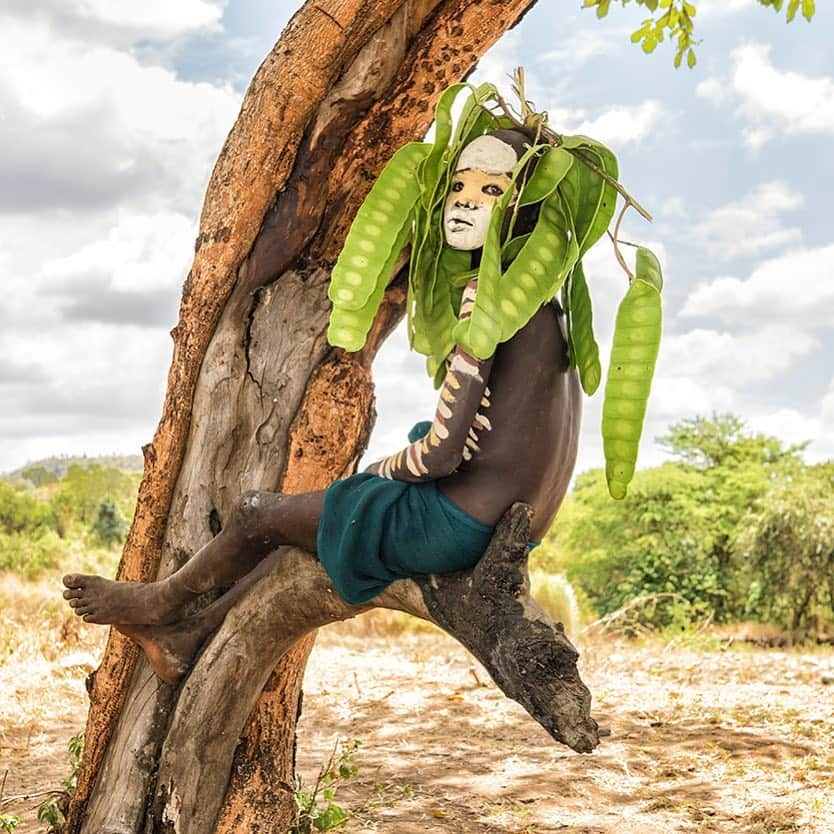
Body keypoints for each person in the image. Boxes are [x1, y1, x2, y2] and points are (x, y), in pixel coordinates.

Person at [62, 129, 582, 683]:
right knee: (312, 524)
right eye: (458, 185)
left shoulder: (490, 295)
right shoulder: (549, 305)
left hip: (461, 525)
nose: (465, 202)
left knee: (256, 514)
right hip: (516, 524)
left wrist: (370, 476)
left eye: (491, 190)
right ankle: (192, 635)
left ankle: (162, 602)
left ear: (527, 205)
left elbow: (439, 457)